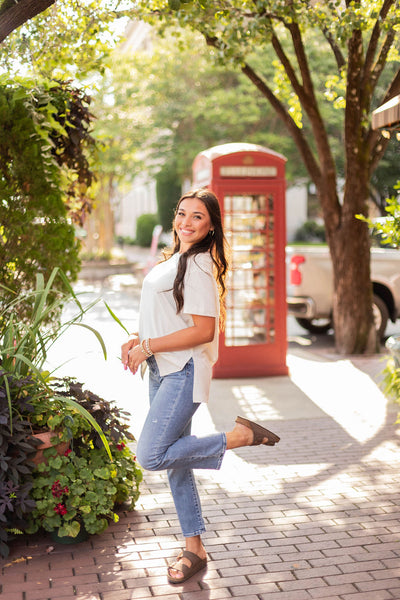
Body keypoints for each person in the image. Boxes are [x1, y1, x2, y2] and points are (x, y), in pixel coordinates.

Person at [121, 188, 280, 584]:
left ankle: (238, 437)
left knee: (152, 455)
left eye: (197, 217)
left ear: (210, 227)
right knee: (177, 461)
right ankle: (194, 549)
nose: (185, 222)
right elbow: (168, 315)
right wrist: (137, 336)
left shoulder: (199, 265)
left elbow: (203, 330)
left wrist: (147, 346)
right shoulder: (176, 259)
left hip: (182, 372)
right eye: (181, 214)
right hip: (162, 369)